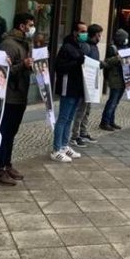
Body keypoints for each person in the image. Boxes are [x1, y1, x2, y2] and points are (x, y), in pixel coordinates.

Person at [0, 13, 35, 185]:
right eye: (30, 25)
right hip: (9, 97)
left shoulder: (24, 43)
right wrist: (22, 65)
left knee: (11, 134)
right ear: (22, 26)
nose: (32, 28)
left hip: (20, 95)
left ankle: (7, 163)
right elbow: (1, 73)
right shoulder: (9, 44)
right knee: (4, 134)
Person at [52, 22, 87, 162]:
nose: (85, 34)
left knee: (70, 118)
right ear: (75, 32)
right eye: (82, 31)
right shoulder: (66, 47)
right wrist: (76, 63)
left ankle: (64, 145)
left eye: (86, 31)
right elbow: (59, 67)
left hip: (77, 88)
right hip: (68, 88)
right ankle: (56, 149)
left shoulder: (80, 47)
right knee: (63, 118)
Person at [70, 24, 102, 147]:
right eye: (99, 35)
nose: (100, 37)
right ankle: (75, 136)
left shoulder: (94, 47)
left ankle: (83, 132)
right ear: (94, 35)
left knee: (87, 110)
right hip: (85, 82)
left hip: (92, 82)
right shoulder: (86, 47)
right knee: (81, 110)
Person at [100, 29, 129, 131]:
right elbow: (106, 62)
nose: (127, 40)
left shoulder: (124, 48)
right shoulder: (112, 48)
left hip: (123, 78)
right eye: (125, 38)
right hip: (115, 78)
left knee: (116, 102)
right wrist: (118, 58)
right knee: (112, 101)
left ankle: (111, 121)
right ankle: (105, 122)